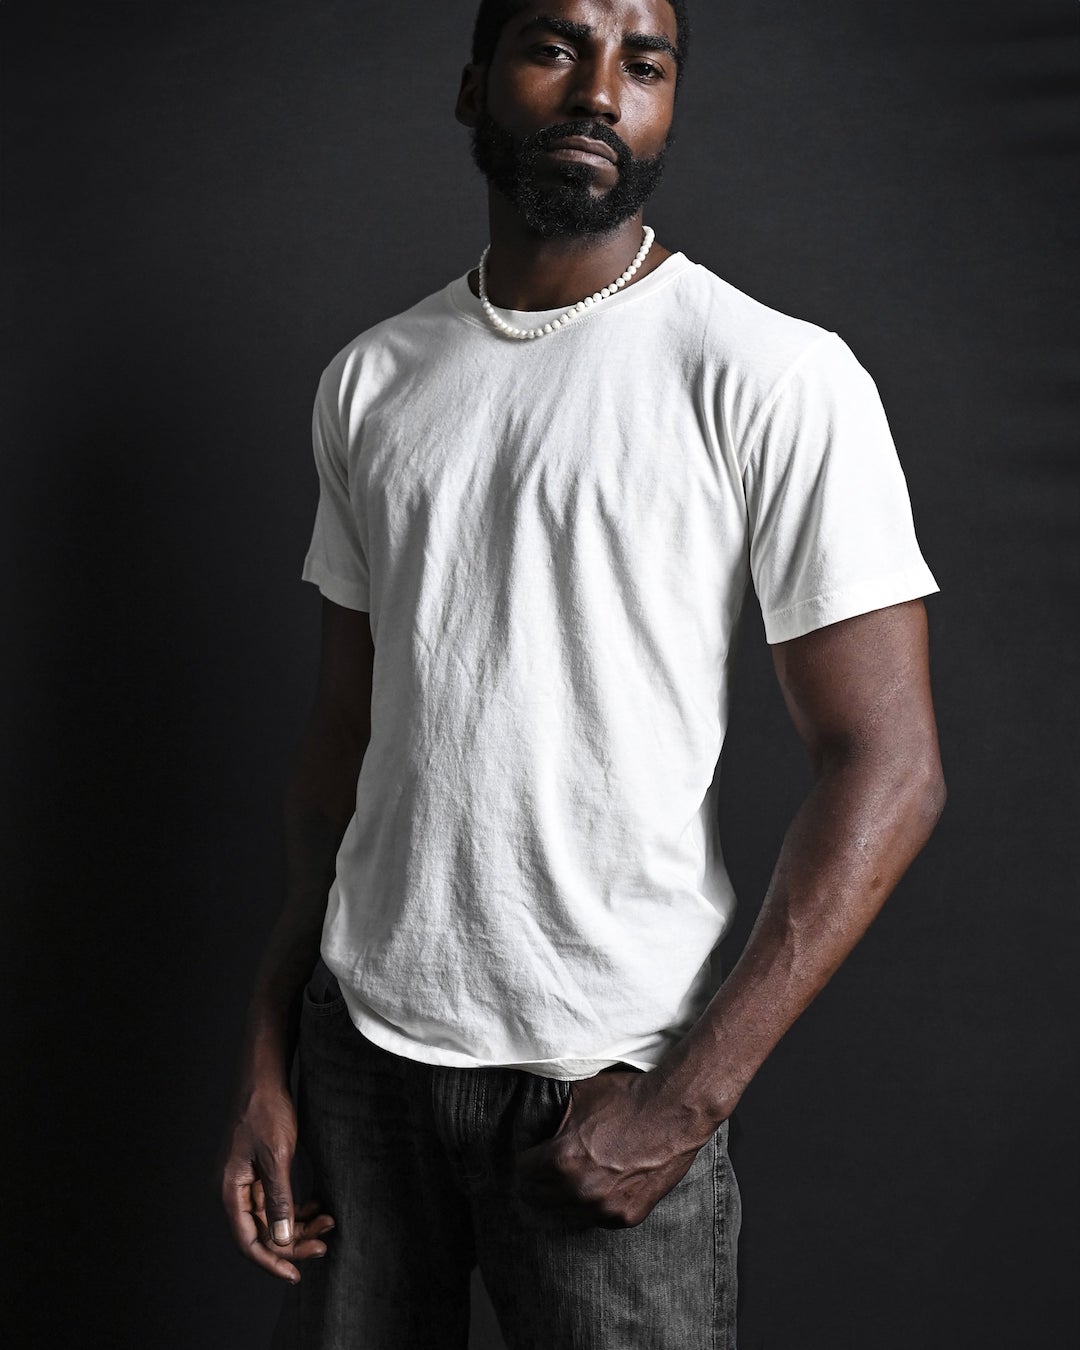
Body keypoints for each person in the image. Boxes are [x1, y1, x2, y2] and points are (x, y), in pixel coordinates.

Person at [221, 1, 946, 1345]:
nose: (602, 91)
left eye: (647, 63)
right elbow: (345, 736)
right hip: (362, 1069)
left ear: (672, 102)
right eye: (557, 48)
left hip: (603, 1083)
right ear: (475, 86)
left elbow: (891, 767)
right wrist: (273, 1044)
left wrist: (684, 1105)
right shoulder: (372, 381)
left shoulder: (773, 376)